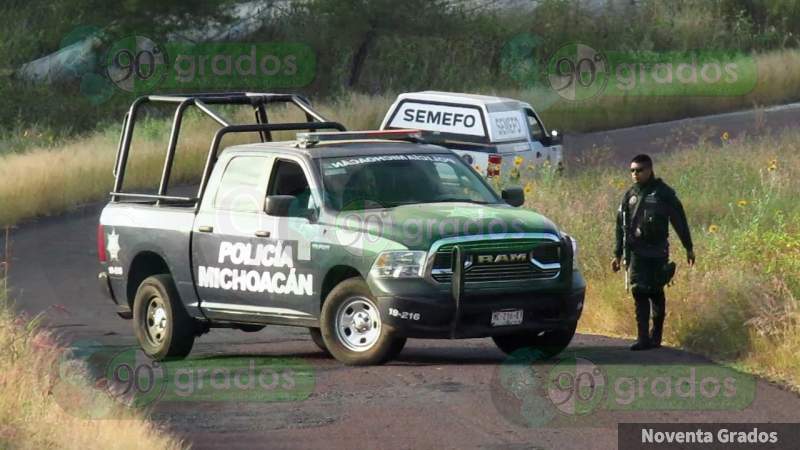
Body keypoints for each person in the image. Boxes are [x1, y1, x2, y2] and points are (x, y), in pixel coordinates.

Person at [611, 154, 695, 351]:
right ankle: (642, 339)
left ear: (649, 170)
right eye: (632, 171)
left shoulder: (664, 193)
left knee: (656, 292)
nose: (635, 174)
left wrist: (688, 247)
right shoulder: (629, 196)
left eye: (639, 170)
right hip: (637, 252)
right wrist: (617, 254)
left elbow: (679, 221)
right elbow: (619, 227)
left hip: (657, 251)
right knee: (639, 292)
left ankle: (656, 336)